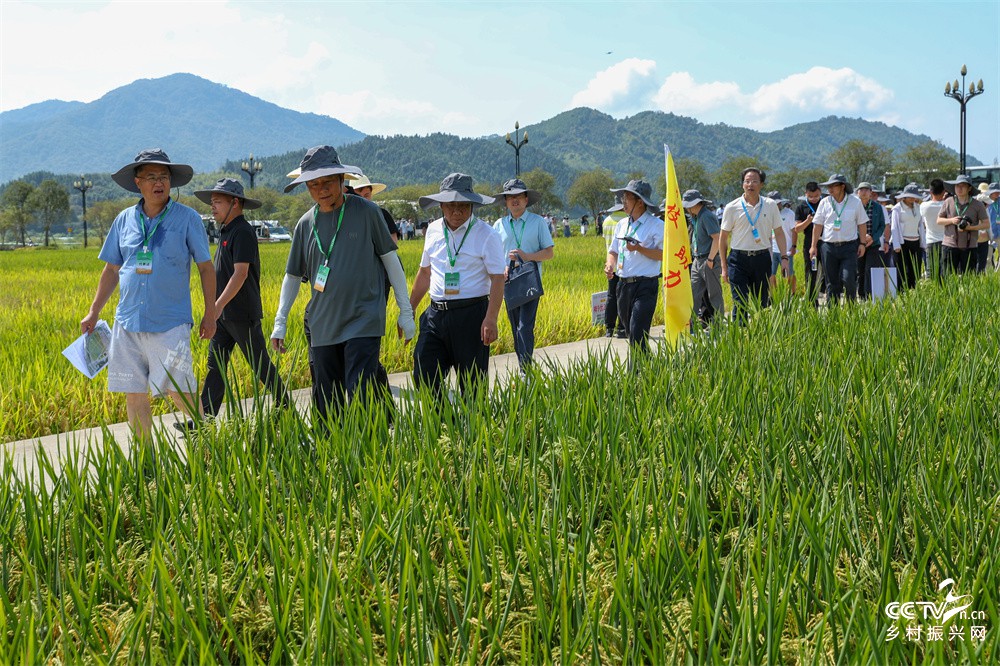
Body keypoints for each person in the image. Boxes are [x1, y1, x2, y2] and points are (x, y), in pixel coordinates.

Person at [269, 145, 415, 427]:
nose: (321, 189)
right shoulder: (305, 224)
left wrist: (405, 311)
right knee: (327, 403)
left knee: (361, 394)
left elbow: (391, 261)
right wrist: (280, 321)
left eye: (327, 182)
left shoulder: (367, 212)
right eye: (313, 184)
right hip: (323, 325)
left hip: (364, 319)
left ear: (341, 180)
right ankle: (334, 460)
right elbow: (291, 276)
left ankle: (371, 456)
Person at [80, 149, 216, 440]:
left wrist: (211, 312)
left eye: (164, 177)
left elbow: (206, 268)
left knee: (178, 389)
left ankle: (207, 441)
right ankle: (145, 461)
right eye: (152, 177)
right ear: (137, 182)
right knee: (134, 393)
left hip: (170, 321)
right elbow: (111, 270)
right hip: (127, 321)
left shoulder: (187, 219)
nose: (159, 183)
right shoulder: (124, 220)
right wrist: (94, 311)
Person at [189, 178, 290, 427]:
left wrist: (217, 306)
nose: (212, 207)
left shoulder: (242, 231)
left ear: (235, 203)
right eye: (211, 203)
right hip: (223, 315)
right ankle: (204, 421)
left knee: (259, 364)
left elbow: (241, 273)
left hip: (240, 312)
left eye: (218, 202)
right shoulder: (226, 231)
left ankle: (285, 406)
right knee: (216, 367)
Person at [409, 173, 505, 398]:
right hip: (435, 315)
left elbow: (498, 278)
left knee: (472, 386)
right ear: (441, 205)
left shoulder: (486, 235)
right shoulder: (432, 230)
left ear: (472, 205)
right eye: (451, 206)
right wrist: (410, 308)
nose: (457, 212)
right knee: (424, 372)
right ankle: (445, 424)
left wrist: (491, 319)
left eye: (463, 206)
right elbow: (425, 272)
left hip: (471, 317)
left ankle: (471, 430)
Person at [492, 178, 555, 371]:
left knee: (524, 326)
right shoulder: (499, 225)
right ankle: (523, 365)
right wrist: (500, 268)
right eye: (510, 197)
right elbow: (493, 255)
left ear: (526, 199)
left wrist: (527, 257)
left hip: (529, 281)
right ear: (506, 201)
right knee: (515, 327)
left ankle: (525, 369)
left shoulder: (538, 222)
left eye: (518, 196)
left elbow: (549, 252)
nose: (514, 200)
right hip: (508, 283)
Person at [603, 180, 663, 352]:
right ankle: (648, 371)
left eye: (627, 198)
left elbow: (664, 254)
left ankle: (634, 374)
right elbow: (613, 251)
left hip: (645, 286)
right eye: (623, 198)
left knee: (637, 333)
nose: (623, 202)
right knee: (632, 334)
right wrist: (610, 265)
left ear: (640, 201)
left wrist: (640, 249)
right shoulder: (622, 224)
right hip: (623, 286)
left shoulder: (657, 225)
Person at [720, 168, 788, 320]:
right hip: (738, 260)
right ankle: (740, 340)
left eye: (754, 181)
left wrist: (784, 257)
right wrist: (724, 268)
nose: (750, 184)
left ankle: (760, 339)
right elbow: (723, 238)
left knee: (761, 304)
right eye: (747, 181)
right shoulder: (732, 207)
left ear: (761, 184)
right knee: (740, 303)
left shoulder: (770, 205)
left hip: (762, 258)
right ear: (742, 184)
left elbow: (779, 232)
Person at [809, 174, 871, 303]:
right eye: (828, 186)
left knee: (849, 279)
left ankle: (852, 309)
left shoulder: (855, 202)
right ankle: (834, 313)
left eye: (833, 186)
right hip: (828, 247)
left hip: (849, 246)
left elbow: (862, 223)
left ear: (842, 186)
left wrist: (862, 244)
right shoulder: (824, 202)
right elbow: (818, 225)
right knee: (831, 283)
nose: (830, 189)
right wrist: (813, 246)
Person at [683, 189, 723, 328]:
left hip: (708, 259)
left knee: (714, 294)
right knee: (693, 294)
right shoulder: (695, 217)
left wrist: (711, 260)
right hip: (697, 259)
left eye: (688, 205)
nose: (687, 208)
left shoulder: (706, 216)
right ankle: (691, 324)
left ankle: (718, 325)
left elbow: (716, 238)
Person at [938, 174, 989, 276]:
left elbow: (986, 224)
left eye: (963, 186)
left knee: (969, 279)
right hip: (950, 245)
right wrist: (952, 220)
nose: (959, 188)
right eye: (957, 185)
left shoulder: (977, 204)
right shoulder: (948, 201)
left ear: (969, 188)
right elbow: (939, 220)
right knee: (947, 277)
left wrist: (971, 228)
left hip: (970, 246)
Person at [855, 182, 889, 299]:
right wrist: (863, 238)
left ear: (871, 193)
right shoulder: (854, 206)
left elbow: (881, 225)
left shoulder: (877, 207)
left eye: (867, 190)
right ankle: (861, 294)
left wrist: (873, 237)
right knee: (859, 270)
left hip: (873, 243)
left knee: (870, 269)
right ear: (857, 192)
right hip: (858, 243)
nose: (864, 192)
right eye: (861, 190)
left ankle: (869, 295)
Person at [889, 183, 926, 290]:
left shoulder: (918, 207)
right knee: (901, 269)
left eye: (914, 196)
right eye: (909, 196)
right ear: (904, 196)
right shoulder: (897, 208)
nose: (912, 198)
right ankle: (901, 291)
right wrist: (896, 245)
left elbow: (921, 226)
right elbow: (894, 227)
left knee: (915, 269)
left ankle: (913, 290)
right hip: (902, 242)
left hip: (915, 242)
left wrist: (923, 243)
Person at [794, 182, 824, 305]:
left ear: (820, 192)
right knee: (812, 270)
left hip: (826, 242)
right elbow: (797, 229)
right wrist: (808, 221)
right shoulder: (801, 207)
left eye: (816, 196)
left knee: (829, 270)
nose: (814, 199)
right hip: (810, 245)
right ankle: (812, 300)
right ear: (806, 194)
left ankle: (830, 296)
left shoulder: (825, 203)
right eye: (811, 196)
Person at [601, 196, 627, 338]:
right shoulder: (626, 220)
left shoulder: (606, 221)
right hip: (624, 266)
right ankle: (621, 327)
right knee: (623, 297)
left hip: (610, 264)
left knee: (611, 296)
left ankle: (609, 328)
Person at [766, 191, 797, 293]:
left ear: (780, 203)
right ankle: (773, 296)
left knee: (789, 274)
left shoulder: (789, 213)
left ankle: (792, 294)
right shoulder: (766, 214)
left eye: (776, 203)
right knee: (771, 274)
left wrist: (793, 246)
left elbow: (794, 231)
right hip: (771, 250)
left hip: (786, 250)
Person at [921, 179, 948, 281]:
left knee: (930, 272)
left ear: (930, 192)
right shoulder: (947, 205)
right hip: (946, 242)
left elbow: (922, 223)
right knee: (945, 272)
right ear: (944, 192)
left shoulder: (924, 206)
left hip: (931, 242)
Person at [985, 182, 1000, 268]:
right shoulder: (985, 203)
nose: (997, 194)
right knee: (988, 257)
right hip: (989, 233)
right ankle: (989, 276)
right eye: (995, 192)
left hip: (999, 232)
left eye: (998, 192)